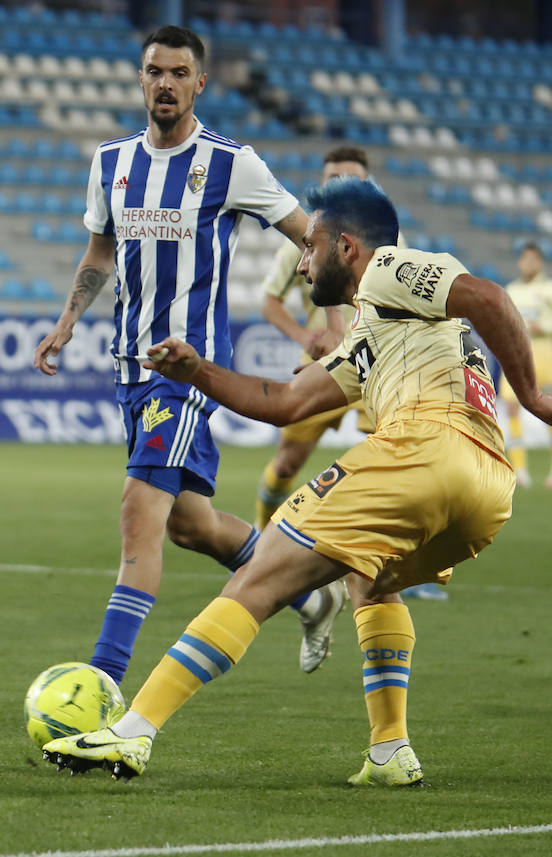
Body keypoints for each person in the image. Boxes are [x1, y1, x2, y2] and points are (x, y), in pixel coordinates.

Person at [40, 177, 552, 784]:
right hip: (488, 487)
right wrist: (197, 370)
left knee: (259, 576)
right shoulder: (376, 328)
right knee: (370, 578)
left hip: (423, 447)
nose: (302, 262)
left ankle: (132, 733)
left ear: (349, 247)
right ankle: (390, 751)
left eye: (312, 246)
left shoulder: (388, 268)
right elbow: (283, 401)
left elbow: (488, 297)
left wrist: (535, 398)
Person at [32, 24, 345, 682]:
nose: (166, 83)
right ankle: (311, 591)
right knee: (193, 526)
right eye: (155, 71)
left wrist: (336, 304)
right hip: (129, 365)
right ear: (140, 79)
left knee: (138, 511)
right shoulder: (111, 163)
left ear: (199, 82)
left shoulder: (233, 163)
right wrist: (66, 320)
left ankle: (102, 684)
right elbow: (99, 252)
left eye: (179, 73)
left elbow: (307, 231)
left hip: (189, 368)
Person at [253, 149, 447, 602]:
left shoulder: (388, 240)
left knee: (397, 464)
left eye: (350, 177)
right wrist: (308, 333)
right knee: (287, 463)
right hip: (323, 368)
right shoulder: (304, 239)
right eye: (333, 176)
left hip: (375, 364)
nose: (341, 181)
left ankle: (397, 568)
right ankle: (259, 542)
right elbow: (269, 302)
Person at [499, 241, 552, 489]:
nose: (528, 264)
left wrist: (544, 326)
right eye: (524, 259)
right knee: (512, 408)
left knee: (551, 411)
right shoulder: (511, 290)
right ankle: (520, 470)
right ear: (520, 262)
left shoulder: (550, 289)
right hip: (515, 356)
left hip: (542, 357)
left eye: (533, 260)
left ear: (540, 263)